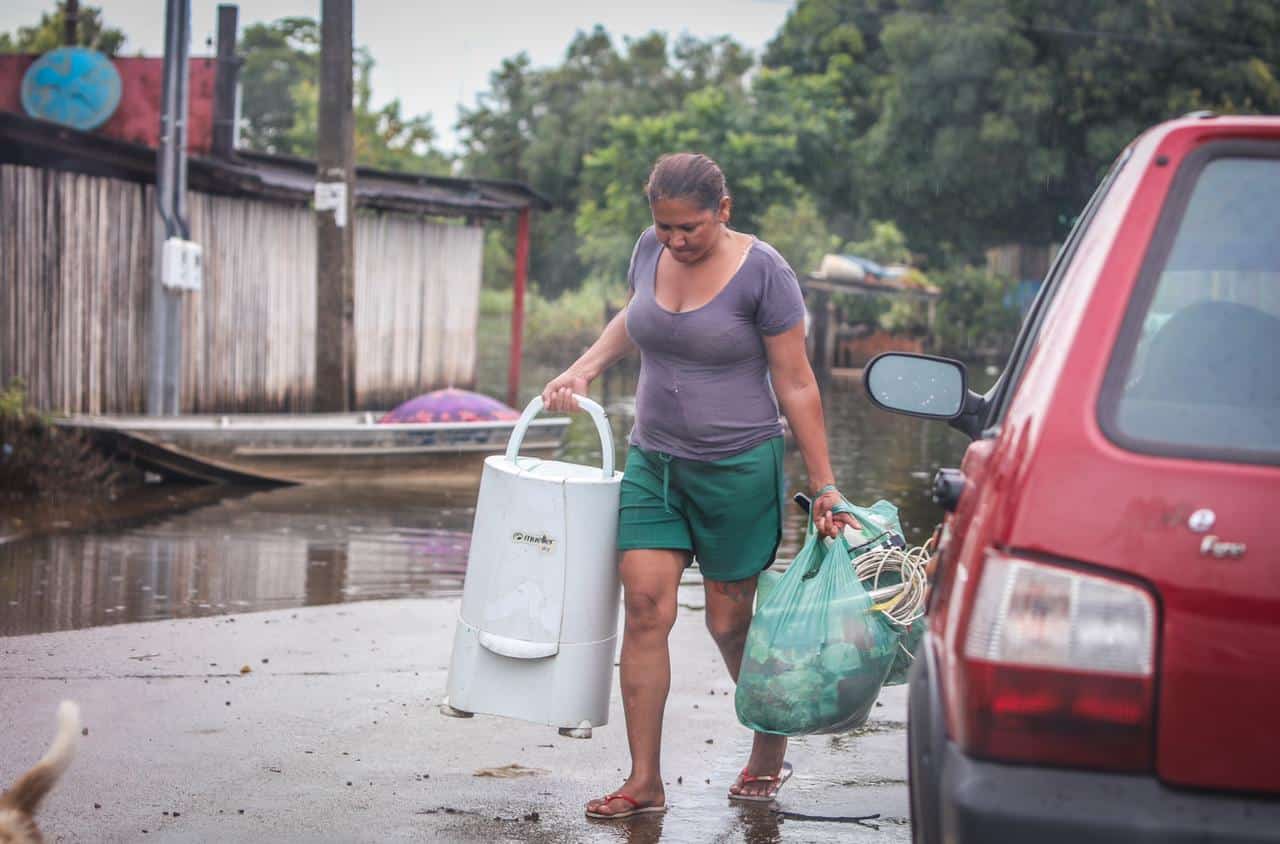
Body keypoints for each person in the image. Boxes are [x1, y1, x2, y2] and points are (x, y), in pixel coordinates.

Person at [541, 152, 858, 820]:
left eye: (691, 228)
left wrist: (825, 485)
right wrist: (584, 369)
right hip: (654, 463)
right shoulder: (648, 251)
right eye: (664, 227)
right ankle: (644, 782)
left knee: (728, 622)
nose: (677, 241)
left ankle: (768, 749)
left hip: (738, 470)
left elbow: (797, 381)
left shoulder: (764, 272)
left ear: (724, 209)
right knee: (647, 608)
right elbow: (637, 316)